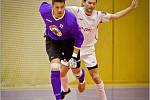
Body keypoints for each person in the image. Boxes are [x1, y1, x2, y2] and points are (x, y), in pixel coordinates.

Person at [61, 0, 138, 100]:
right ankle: (66, 90)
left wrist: (131, 8)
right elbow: (59, 8)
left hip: (88, 49)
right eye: (89, 2)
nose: (92, 5)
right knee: (62, 72)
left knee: (96, 77)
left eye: (94, 3)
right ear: (83, 3)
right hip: (74, 48)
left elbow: (115, 16)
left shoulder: (99, 15)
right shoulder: (75, 11)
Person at [39, 0, 86, 99]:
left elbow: (80, 37)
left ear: (65, 6)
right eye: (57, 7)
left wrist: (73, 56)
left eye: (62, 7)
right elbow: (43, 4)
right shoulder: (44, 11)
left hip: (69, 42)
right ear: (52, 6)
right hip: (52, 40)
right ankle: (58, 98)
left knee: (76, 71)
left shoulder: (70, 19)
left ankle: (81, 79)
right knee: (55, 67)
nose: (60, 10)